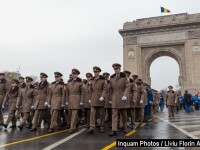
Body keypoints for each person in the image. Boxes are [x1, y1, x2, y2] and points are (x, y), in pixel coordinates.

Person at [109, 63, 129, 136]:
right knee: (114, 114)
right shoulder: (112, 78)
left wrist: (125, 95)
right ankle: (114, 130)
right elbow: (110, 89)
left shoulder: (124, 77)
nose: (116, 70)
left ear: (120, 69)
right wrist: (110, 98)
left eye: (117, 69)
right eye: (114, 69)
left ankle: (125, 127)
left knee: (124, 113)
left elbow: (127, 87)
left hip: (122, 97)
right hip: (114, 97)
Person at [87, 66, 106, 134]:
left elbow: (105, 89)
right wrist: (89, 98)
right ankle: (92, 127)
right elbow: (90, 90)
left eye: (96, 72)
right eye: (94, 72)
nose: (95, 73)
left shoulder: (103, 80)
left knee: (101, 114)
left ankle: (101, 126)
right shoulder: (92, 80)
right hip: (93, 98)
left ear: (99, 72)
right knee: (92, 114)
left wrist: (103, 96)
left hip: (100, 98)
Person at [65, 69, 84, 134]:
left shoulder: (80, 82)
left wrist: (81, 101)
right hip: (70, 100)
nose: (73, 75)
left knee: (74, 114)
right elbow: (67, 92)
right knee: (70, 114)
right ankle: (76, 124)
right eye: (73, 74)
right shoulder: (69, 82)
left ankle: (72, 128)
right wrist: (67, 100)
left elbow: (82, 92)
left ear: (77, 75)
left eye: (75, 74)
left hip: (77, 99)